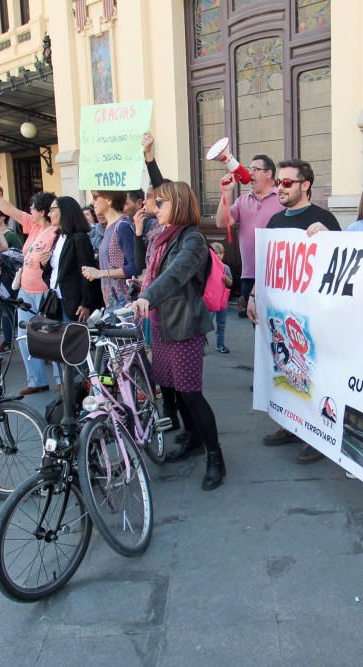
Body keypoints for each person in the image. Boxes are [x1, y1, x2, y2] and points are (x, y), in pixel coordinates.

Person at [131, 181, 224, 491]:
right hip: (161, 323)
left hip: (184, 326)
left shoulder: (193, 239)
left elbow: (175, 275)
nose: (157, 207)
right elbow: (152, 272)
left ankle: (215, 457)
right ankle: (194, 438)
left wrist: (149, 296)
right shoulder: (161, 236)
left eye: (163, 202)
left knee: (190, 393)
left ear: (179, 204)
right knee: (172, 388)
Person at [252, 158, 341, 464]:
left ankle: (318, 436)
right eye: (278, 182)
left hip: (311, 318)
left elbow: (338, 267)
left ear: (306, 185)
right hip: (282, 315)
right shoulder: (275, 221)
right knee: (286, 371)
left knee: (313, 376)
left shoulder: (323, 219)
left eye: (287, 183)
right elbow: (267, 266)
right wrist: (253, 295)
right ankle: (290, 425)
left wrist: (328, 237)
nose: (280, 188)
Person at [0, 179, 58, 395]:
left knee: (50, 334)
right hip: (25, 289)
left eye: (33, 206)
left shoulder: (56, 231)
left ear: (42, 211)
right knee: (24, 336)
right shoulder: (32, 225)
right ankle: (36, 379)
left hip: (44, 291)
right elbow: (8, 208)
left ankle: (61, 379)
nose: (29, 209)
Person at [214, 154, 283, 318]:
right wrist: (227, 192)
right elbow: (222, 223)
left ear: (269, 173)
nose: (250, 173)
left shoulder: (281, 198)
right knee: (258, 329)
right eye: (249, 169)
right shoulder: (242, 200)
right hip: (249, 275)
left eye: (255, 169)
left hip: (276, 276)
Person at [43, 196, 102, 323]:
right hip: (56, 299)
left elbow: (87, 272)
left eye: (52, 210)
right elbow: (57, 267)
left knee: (71, 340)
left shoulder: (80, 238)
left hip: (74, 303)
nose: (49, 214)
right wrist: (44, 263)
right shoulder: (58, 236)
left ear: (65, 211)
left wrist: (86, 302)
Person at [79, 190, 137, 309]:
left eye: (96, 197)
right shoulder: (110, 226)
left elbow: (134, 267)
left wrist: (100, 273)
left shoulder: (122, 226)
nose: (92, 202)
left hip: (125, 302)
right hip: (112, 301)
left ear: (109, 200)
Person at [209, 241, 234, 353]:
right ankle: (199, 345)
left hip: (222, 300)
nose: (218, 255)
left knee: (221, 324)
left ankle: (220, 344)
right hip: (210, 300)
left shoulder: (225, 267)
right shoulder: (208, 267)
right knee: (206, 323)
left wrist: (225, 279)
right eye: (216, 253)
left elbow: (231, 283)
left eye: (220, 253)